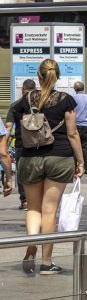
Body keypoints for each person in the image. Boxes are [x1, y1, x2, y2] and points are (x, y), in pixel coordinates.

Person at [11, 59, 84, 275]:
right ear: (57, 76)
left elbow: (16, 122)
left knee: (33, 208)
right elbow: (72, 133)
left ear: (38, 75)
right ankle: (46, 262)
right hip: (59, 157)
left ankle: (32, 245)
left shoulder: (26, 98)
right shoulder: (66, 100)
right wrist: (80, 161)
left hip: (30, 157)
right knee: (49, 210)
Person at [6, 78, 35, 209]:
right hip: (38, 143)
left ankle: (25, 201)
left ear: (22, 89)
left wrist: (4, 146)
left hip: (20, 143)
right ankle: (36, 199)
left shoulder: (15, 105)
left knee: (22, 172)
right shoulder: (40, 105)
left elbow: (8, 127)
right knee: (36, 171)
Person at [72, 81, 87, 175]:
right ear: (83, 88)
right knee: (85, 148)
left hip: (76, 126)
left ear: (74, 89)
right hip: (86, 126)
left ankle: (74, 168)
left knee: (75, 147)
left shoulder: (73, 99)